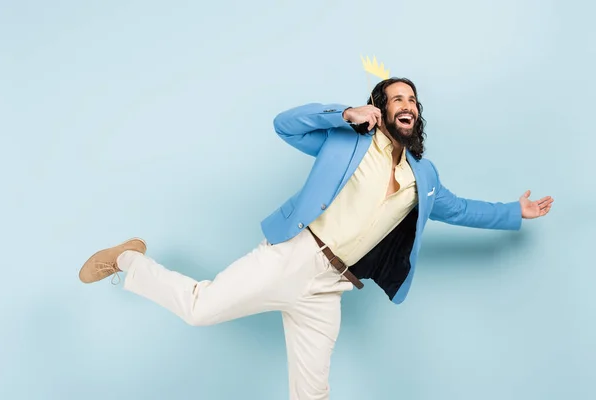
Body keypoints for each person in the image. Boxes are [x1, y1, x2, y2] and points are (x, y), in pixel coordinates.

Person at [78, 77, 553, 399]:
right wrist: (343, 114)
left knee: (312, 394)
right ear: (381, 108)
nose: (407, 105)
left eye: (413, 101)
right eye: (398, 99)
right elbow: (284, 124)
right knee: (201, 309)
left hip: (332, 287)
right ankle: (127, 261)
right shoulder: (349, 140)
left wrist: (516, 211)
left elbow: (461, 209)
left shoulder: (422, 176)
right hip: (294, 255)